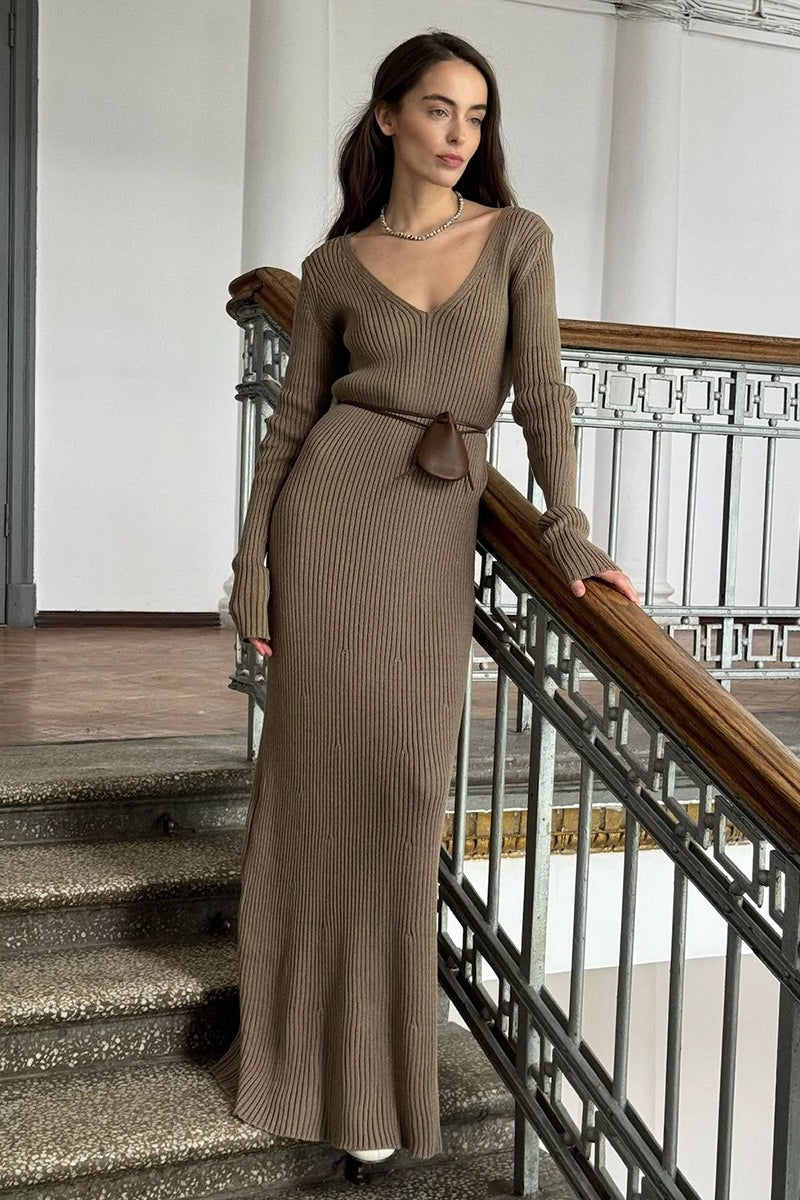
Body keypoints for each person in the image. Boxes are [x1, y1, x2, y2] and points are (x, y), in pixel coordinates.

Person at [210, 28, 639, 1183]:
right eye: (438, 108)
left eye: (476, 115)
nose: (459, 133)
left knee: (401, 793)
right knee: (312, 794)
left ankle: (369, 1070)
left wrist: (564, 524)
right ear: (389, 115)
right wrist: (251, 563)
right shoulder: (333, 266)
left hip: (428, 529)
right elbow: (290, 424)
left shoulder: (515, 238)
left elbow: (541, 389)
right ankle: (300, 1059)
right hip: (326, 514)